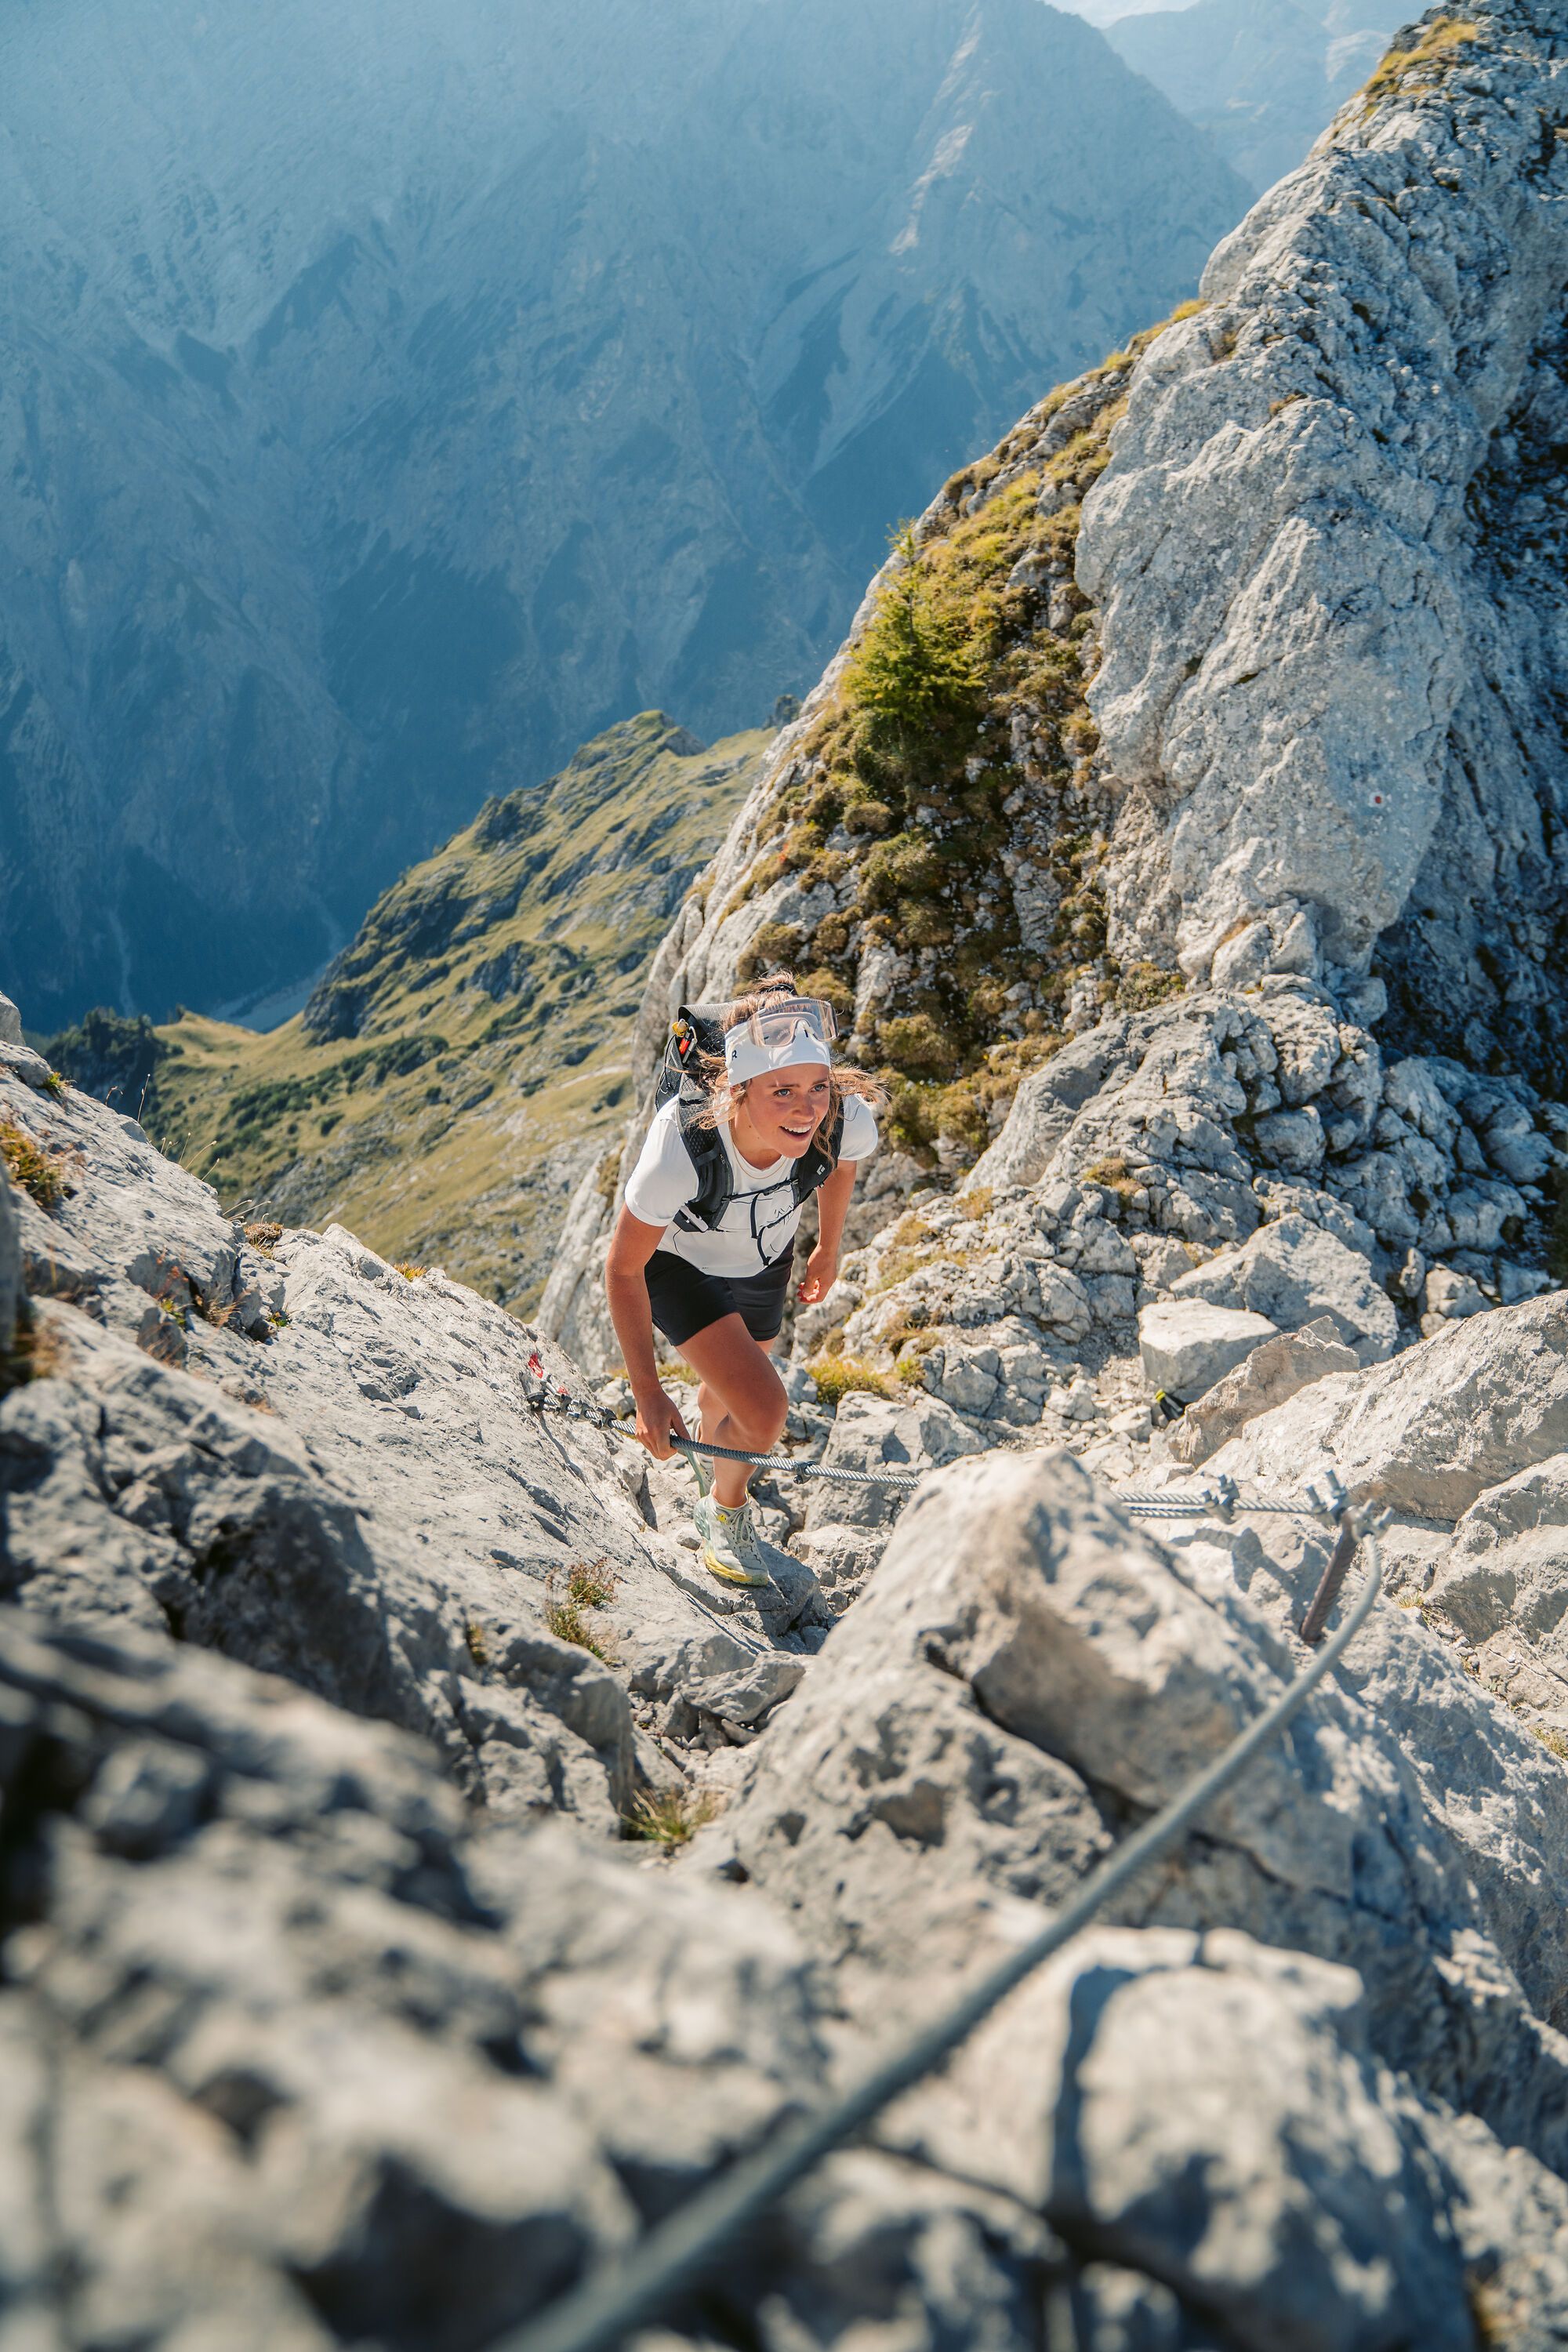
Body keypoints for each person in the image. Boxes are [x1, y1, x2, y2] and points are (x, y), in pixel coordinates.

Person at [606, 974, 884, 1587]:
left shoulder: (839, 1117)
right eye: (781, 1090)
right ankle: (724, 1513)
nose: (806, 1109)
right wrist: (646, 1391)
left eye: (817, 1087)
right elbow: (623, 1268)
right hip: (680, 1267)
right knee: (763, 1411)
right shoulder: (683, 1145)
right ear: (737, 1089)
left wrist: (828, 1248)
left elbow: (843, 1161)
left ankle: (715, 1454)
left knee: (722, 1398)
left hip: (766, 1259)